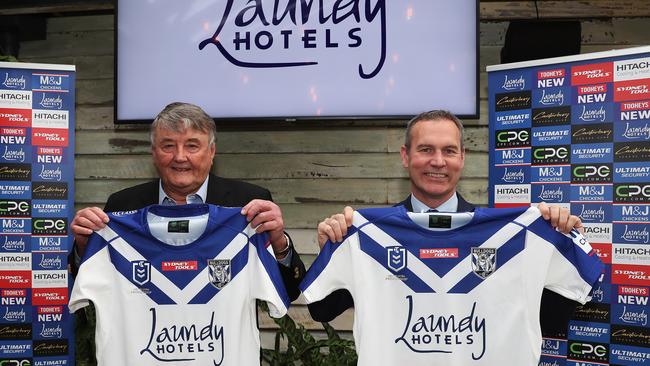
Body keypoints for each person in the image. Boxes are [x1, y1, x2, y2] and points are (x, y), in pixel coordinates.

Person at [310, 110, 584, 337]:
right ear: (406, 156)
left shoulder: (504, 237)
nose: (438, 161)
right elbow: (322, 311)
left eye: (449, 151)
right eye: (426, 149)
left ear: (462, 157)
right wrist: (331, 251)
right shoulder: (372, 236)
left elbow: (550, 322)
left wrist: (567, 248)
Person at [70, 102, 305, 300]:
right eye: (168, 146)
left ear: (212, 152)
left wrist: (279, 245)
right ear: (154, 153)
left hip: (223, 349)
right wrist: (84, 247)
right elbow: (93, 289)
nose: (180, 156)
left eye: (192, 146)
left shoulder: (248, 204)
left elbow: (290, 291)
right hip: (145, 348)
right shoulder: (123, 206)